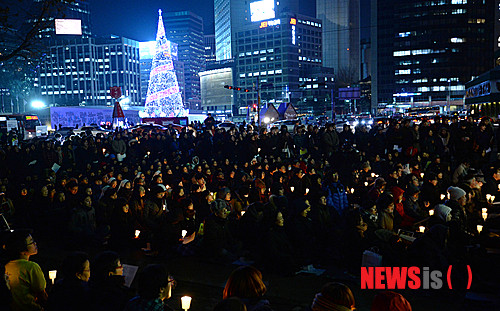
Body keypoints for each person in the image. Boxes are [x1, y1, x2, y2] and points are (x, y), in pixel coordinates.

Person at [4, 229, 48, 311]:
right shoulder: (31, 267)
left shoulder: (6, 267)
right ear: (22, 250)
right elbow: (42, 295)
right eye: (31, 242)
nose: (35, 243)